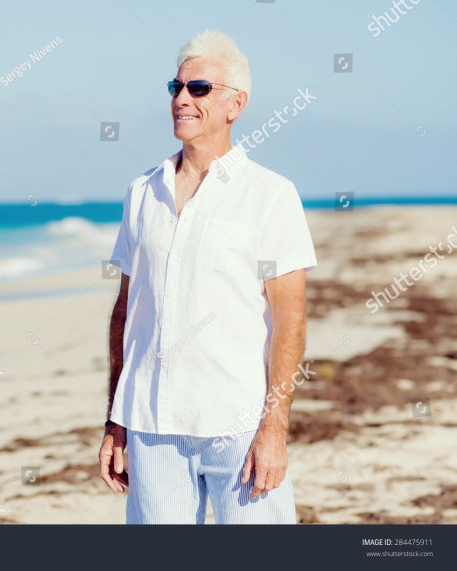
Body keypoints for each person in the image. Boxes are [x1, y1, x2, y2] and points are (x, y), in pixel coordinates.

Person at [98, 29, 318, 524]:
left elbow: (290, 318)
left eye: (198, 89)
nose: (182, 99)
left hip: (238, 424)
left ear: (234, 104)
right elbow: (126, 312)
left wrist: (274, 426)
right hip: (153, 426)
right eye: (176, 87)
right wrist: (117, 419)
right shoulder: (141, 193)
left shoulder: (270, 194)